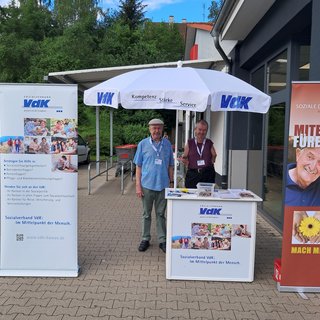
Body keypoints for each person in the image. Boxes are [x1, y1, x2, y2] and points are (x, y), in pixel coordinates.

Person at [133, 118, 174, 253]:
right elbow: (138, 167)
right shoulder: (142, 144)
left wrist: (171, 184)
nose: (156, 130)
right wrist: (138, 186)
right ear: (149, 129)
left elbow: (170, 166)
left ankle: (162, 240)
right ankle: (145, 238)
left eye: (159, 128)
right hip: (147, 185)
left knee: (161, 214)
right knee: (146, 214)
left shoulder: (167, 144)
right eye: (154, 128)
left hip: (162, 186)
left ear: (162, 129)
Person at [181, 119, 217, 189]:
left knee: (207, 196)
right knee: (191, 195)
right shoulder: (190, 142)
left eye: (204, 130)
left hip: (207, 174)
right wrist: (184, 159)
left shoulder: (209, 142)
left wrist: (212, 161)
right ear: (195, 129)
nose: (202, 132)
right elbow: (185, 156)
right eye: (200, 129)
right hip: (193, 174)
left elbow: (214, 155)